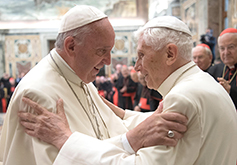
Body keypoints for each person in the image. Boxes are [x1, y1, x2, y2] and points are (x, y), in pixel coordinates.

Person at [18, 16, 237, 164]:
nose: (136, 66)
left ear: (170, 54)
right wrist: (123, 114)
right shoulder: (202, 83)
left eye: (142, 55)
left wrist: (65, 140)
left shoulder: (183, 98)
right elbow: (160, 123)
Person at [0, 6, 188, 165]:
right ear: (71, 46)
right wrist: (134, 139)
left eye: (110, 51)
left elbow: (111, 128)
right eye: (101, 51)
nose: (108, 61)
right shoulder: (38, 94)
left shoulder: (81, 78)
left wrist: (151, 121)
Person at [208, 28, 237, 109]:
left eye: (231, 47)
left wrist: (231, 92)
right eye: (222, 48)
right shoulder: (213, 70)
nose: (226, 52)